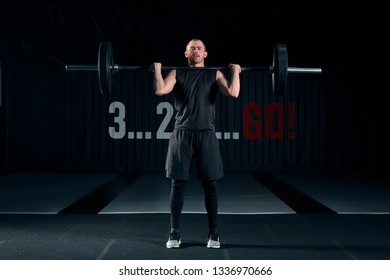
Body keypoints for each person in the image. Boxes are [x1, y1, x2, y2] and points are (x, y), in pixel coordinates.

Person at [150, 38, 241, 249]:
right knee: (178, 184)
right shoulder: (176, 72)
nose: (196, 51)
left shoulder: (214, 73)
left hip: (206, 135)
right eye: (192, 49)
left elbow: (233, 92)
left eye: (199, 48)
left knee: (210, 185)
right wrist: (157, 70)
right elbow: (161, 90)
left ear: (205, 54)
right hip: (181, 134)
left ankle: (214, 234)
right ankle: (174, 233)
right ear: (186, 53)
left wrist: (235, 71)